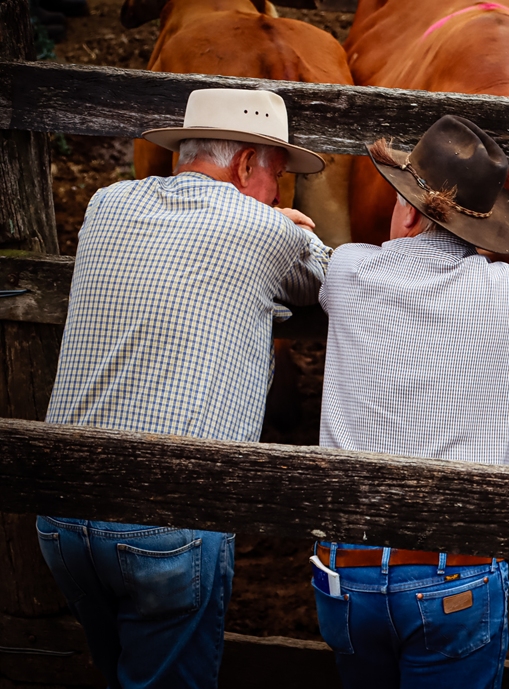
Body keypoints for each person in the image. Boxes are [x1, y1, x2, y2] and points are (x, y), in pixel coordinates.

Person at [36, 88, 331, 689]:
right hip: (168, 517)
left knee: (116, 669)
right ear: (248, 165)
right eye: (276, 174)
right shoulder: (264, 226)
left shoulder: (107, 201)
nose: (278, 190)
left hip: (60, 509)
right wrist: (294, 229)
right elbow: (327, 282)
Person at [313, 115, 509, 688]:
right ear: (482, 234)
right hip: (457, 573)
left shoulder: (348, 271)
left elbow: (309, 265)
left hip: (347, 572)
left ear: (405, 210)